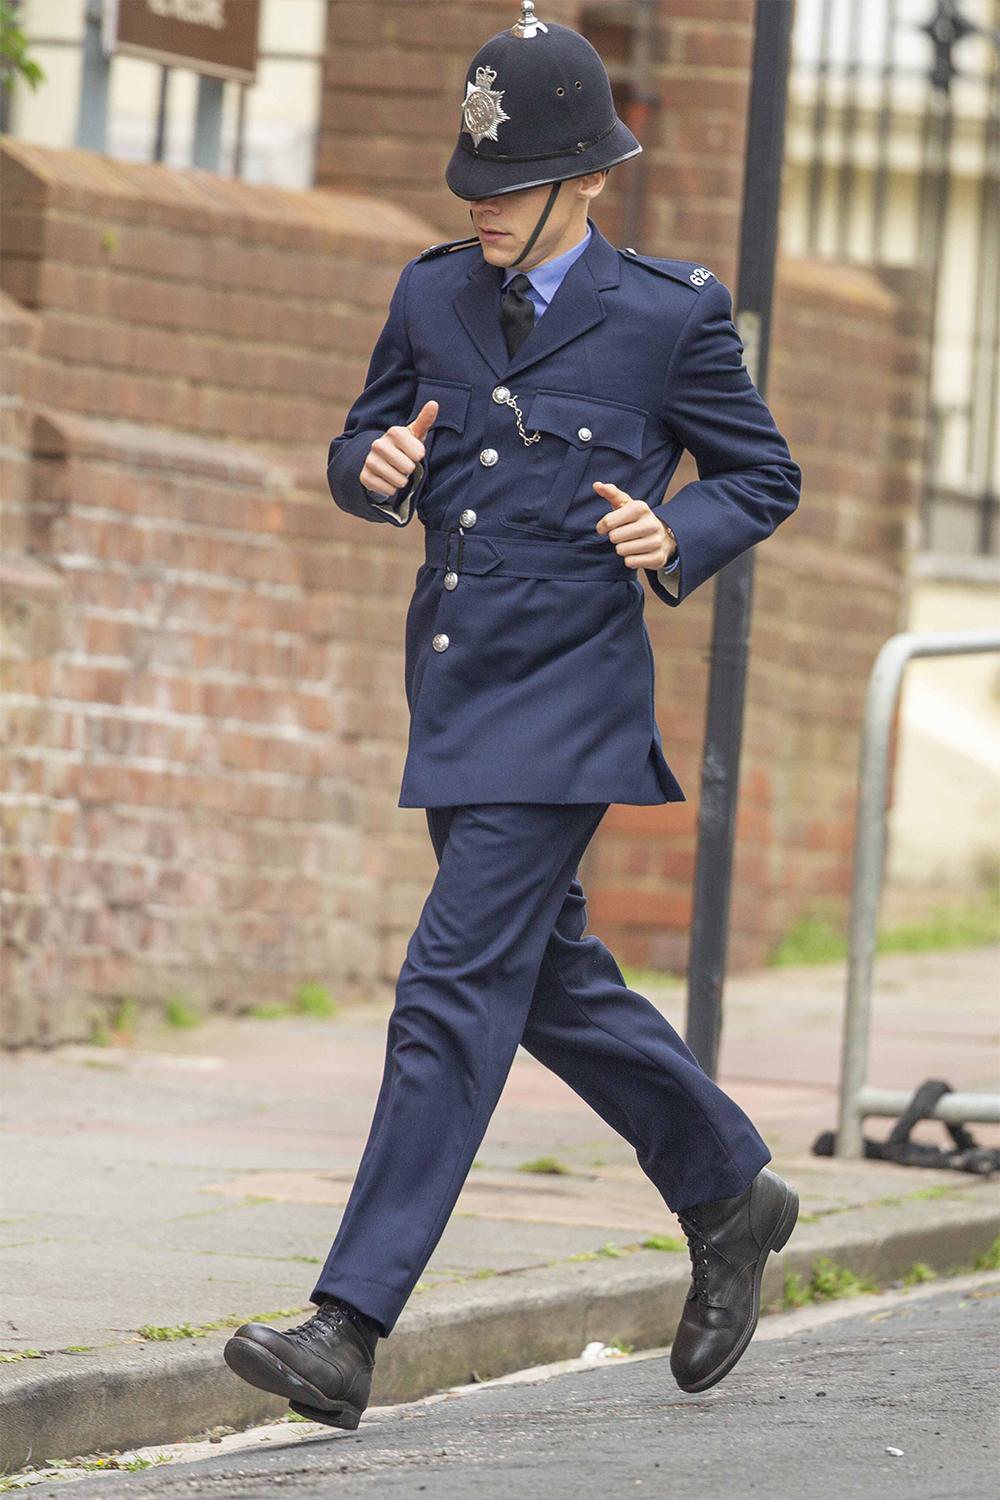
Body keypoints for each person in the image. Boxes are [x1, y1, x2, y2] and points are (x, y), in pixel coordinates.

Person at [225, 1, 802, 1429]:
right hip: (459, 690)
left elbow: (764, 474)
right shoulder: (429, 296)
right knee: (544, 981)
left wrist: (681, 534)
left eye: (510, 190)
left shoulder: (672, 316)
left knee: (449, 988)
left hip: (572, 704)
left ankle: (347, 1325)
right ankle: (730, 1187)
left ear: (590, 180)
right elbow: (363, 438)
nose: (481, 213)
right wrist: (371, 468)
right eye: (468, 188)